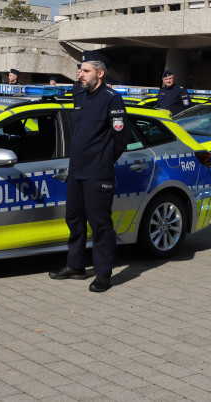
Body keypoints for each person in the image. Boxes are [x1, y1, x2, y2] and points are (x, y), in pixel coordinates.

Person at [50, 51, 129, 293]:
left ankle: (103, 273)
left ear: (100, 73)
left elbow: (121, 138)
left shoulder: (111, 99)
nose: (79, 74)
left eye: (85, 70)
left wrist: (103, 160)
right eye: (79, 70)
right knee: (74, 219)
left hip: (98, 172)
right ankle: (75, 266)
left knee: (100, 224)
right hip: (76, 169)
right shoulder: (80, 93)